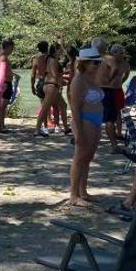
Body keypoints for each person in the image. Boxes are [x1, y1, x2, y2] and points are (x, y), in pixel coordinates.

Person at [68, 48, 104, 206]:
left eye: (99, 62)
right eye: (95, 62)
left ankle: (83, 191)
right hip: (84, 120)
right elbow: (74, 107)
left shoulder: (93, 77)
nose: (98, 65)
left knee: (88, 157)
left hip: (96, 119)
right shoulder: (79, 80)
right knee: (80, 157)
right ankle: (73, 195)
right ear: (85, 63)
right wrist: (79, 131)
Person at [35, 44, 68, 137]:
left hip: (51, 85)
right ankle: (37, 130)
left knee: (63, 105)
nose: (61, 51)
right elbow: (54, 74)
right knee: (45, 108)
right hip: (51, 86)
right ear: (55, 51)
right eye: (60, 50)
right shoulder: (52, 60)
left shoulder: (51, 59)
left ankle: (66, 128)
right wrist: (63, 81)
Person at [0, 39, 16, 133]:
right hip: (4, 83)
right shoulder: (4, 57)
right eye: (12, 48)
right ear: (8, 47)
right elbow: (0, 69)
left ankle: (1, 125)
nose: (12, 50)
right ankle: (1, 127)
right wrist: (12, 74)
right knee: (2, 106)